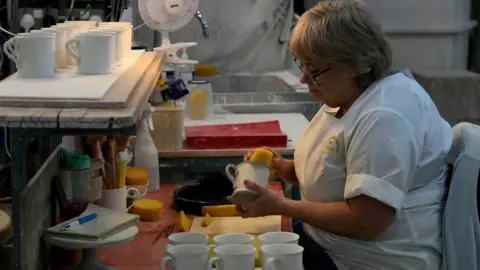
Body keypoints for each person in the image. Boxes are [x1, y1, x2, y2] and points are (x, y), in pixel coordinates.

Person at [227, 0, 453, 269]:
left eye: (315, 70)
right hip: (328, 243)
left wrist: (281, 205)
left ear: (355, 64)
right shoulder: (347, 96)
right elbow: (336, 175)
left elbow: (367, 222)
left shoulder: (385, 116)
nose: (303, 79)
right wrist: (283, 169)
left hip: (371, 260)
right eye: (302, 65)